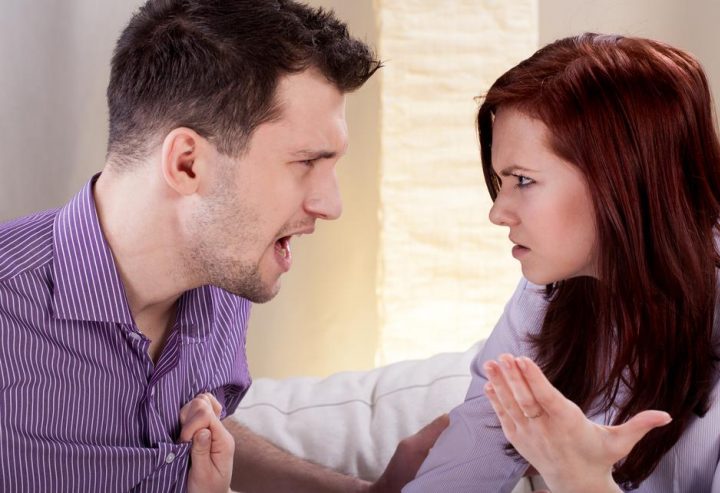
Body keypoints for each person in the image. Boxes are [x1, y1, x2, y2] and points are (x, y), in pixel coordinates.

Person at [0, 1, 445, 491]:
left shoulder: (224, 283)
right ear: (188, 163)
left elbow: (185, 435)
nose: (331, 205)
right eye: (305, 163)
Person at [404, 33, 720, 492]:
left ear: (622, 178)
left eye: (523, 180)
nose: (498, 212)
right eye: (501, 182)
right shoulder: (549, 294)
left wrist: (581, 479)